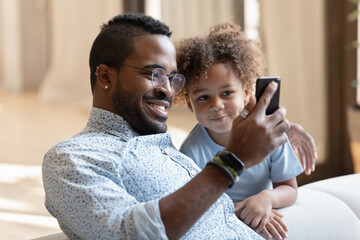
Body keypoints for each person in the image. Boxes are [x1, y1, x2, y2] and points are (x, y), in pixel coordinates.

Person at [42, 13, 313, 240]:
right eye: (154, 74)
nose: (168, 90)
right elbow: (129, 234)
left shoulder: (168, 151)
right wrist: (234, 159)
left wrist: (279, 128)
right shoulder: (72, 159)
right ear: (105, 76)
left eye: (173, 78)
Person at [175, 23, 308, 240]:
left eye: (227, 92)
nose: (216, 105)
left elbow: (289, 189)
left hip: (264, 210)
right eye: (202, 97)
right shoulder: (191, 150)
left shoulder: (269, 135)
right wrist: (234, 211)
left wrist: (267, 198)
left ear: (246, 93)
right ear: (190, 105)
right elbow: (195, 203)